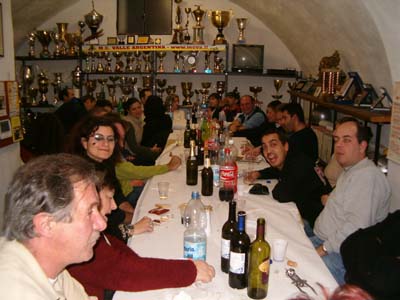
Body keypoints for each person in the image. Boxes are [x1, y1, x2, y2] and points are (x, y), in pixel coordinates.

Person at [68, 169, 215, 300]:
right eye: (109, 197)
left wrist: (142, 265)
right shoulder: (81, 241)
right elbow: (124, 272)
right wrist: (190, 271)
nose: (114, 206)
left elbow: (122, 255)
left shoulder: (96, 232)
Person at [0, 153, 107, 299]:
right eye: (90, 212)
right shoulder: (17, 292)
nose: (102, 224)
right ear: (47, 225)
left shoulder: (48, 265)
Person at [311, 117, 391, 285]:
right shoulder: (352, 170)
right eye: (336, 139)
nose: (338, 145)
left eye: (346, 140)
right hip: (325, 242)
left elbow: (356, 227)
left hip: (339, 253)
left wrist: (323, 249)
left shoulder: (367, 177)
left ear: (362, 146)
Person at [249, 128, 332, 228]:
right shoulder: (293, 157)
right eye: (265, 147)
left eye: (273, 144)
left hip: (316, 225)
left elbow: (281, 195)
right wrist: (259, 173)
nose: (268, 151)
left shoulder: (298, 164)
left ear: (286, 146)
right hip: (309, 217)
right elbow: (276, 170)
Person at [340, 210, 400, 300]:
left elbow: (381, 283)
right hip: (351, 272)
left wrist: (375, 243)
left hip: (356, 279)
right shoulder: (397, 219)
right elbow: (349, 243)